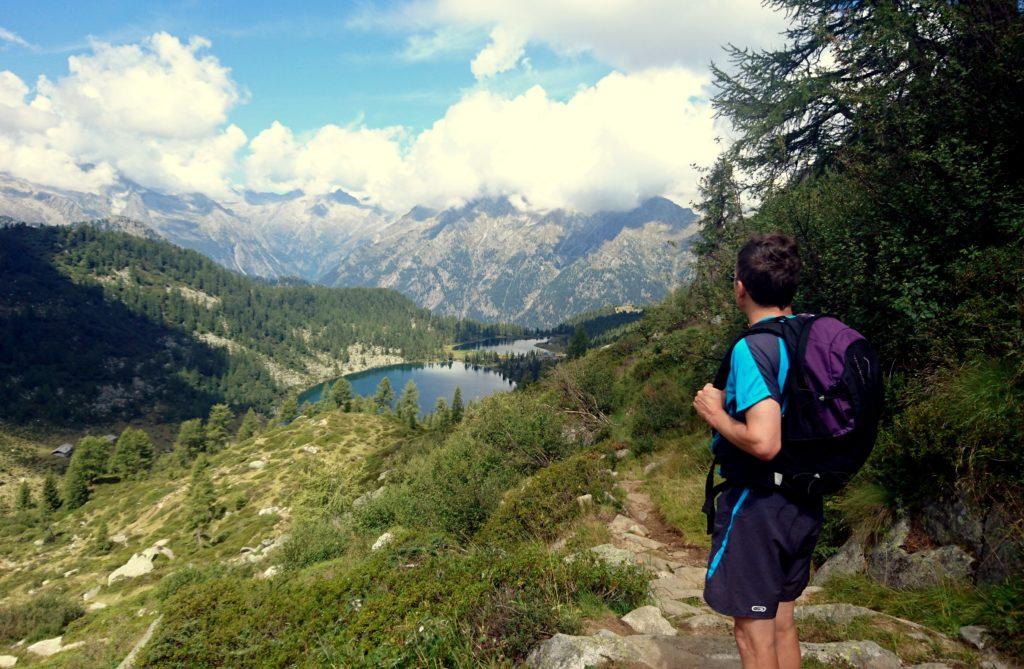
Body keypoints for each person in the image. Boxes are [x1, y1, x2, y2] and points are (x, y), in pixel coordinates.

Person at [692, 233, 820, 669]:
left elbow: (764, 441)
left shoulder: (753, 348)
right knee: (782, 619)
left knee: (752, 632)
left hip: (759, 505)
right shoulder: (805, 335)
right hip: (801, 502)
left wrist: (716, 414)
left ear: (740, 287)